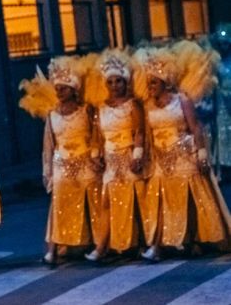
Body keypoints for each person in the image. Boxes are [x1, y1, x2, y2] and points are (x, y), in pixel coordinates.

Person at [138, 44, 231, 261]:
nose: (150, 86)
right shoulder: (147, 106)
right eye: (148, 82)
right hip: (161, 159)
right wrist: (139, 154)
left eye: (154, 82)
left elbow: (195, 127)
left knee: (191, 199)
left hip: (184, 156)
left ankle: (194, 239)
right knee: (160, 202)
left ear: (164, 82)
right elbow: (143, 132)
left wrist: (201, 154)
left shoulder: (182, 100)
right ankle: (157, 246)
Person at [40, 56, 106, 264]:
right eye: (57, 88)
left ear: (73, 90)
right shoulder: (51, 115)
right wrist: (47, 171)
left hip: (86, 161)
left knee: (95, 202)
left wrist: (96, 156)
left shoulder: (87, 110)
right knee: (59, 204)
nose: (59, 92)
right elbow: (48, 146)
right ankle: (53, 248)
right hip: (62, 164)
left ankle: (99, 244)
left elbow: (97, 135)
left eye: (64, 88)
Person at [85, 50, 146, 261]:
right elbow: (97, 136)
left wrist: (137, 155)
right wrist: (95, 155)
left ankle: (139, 244)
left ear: (125, 82)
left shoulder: (133, 104)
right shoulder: (100, 108)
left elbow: (139, 131)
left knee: (135, 202)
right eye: (110, 82)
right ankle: (102, 247)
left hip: (128, 156)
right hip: (110, 161)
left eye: (118, 81)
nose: (114, 86)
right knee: (107, 204)